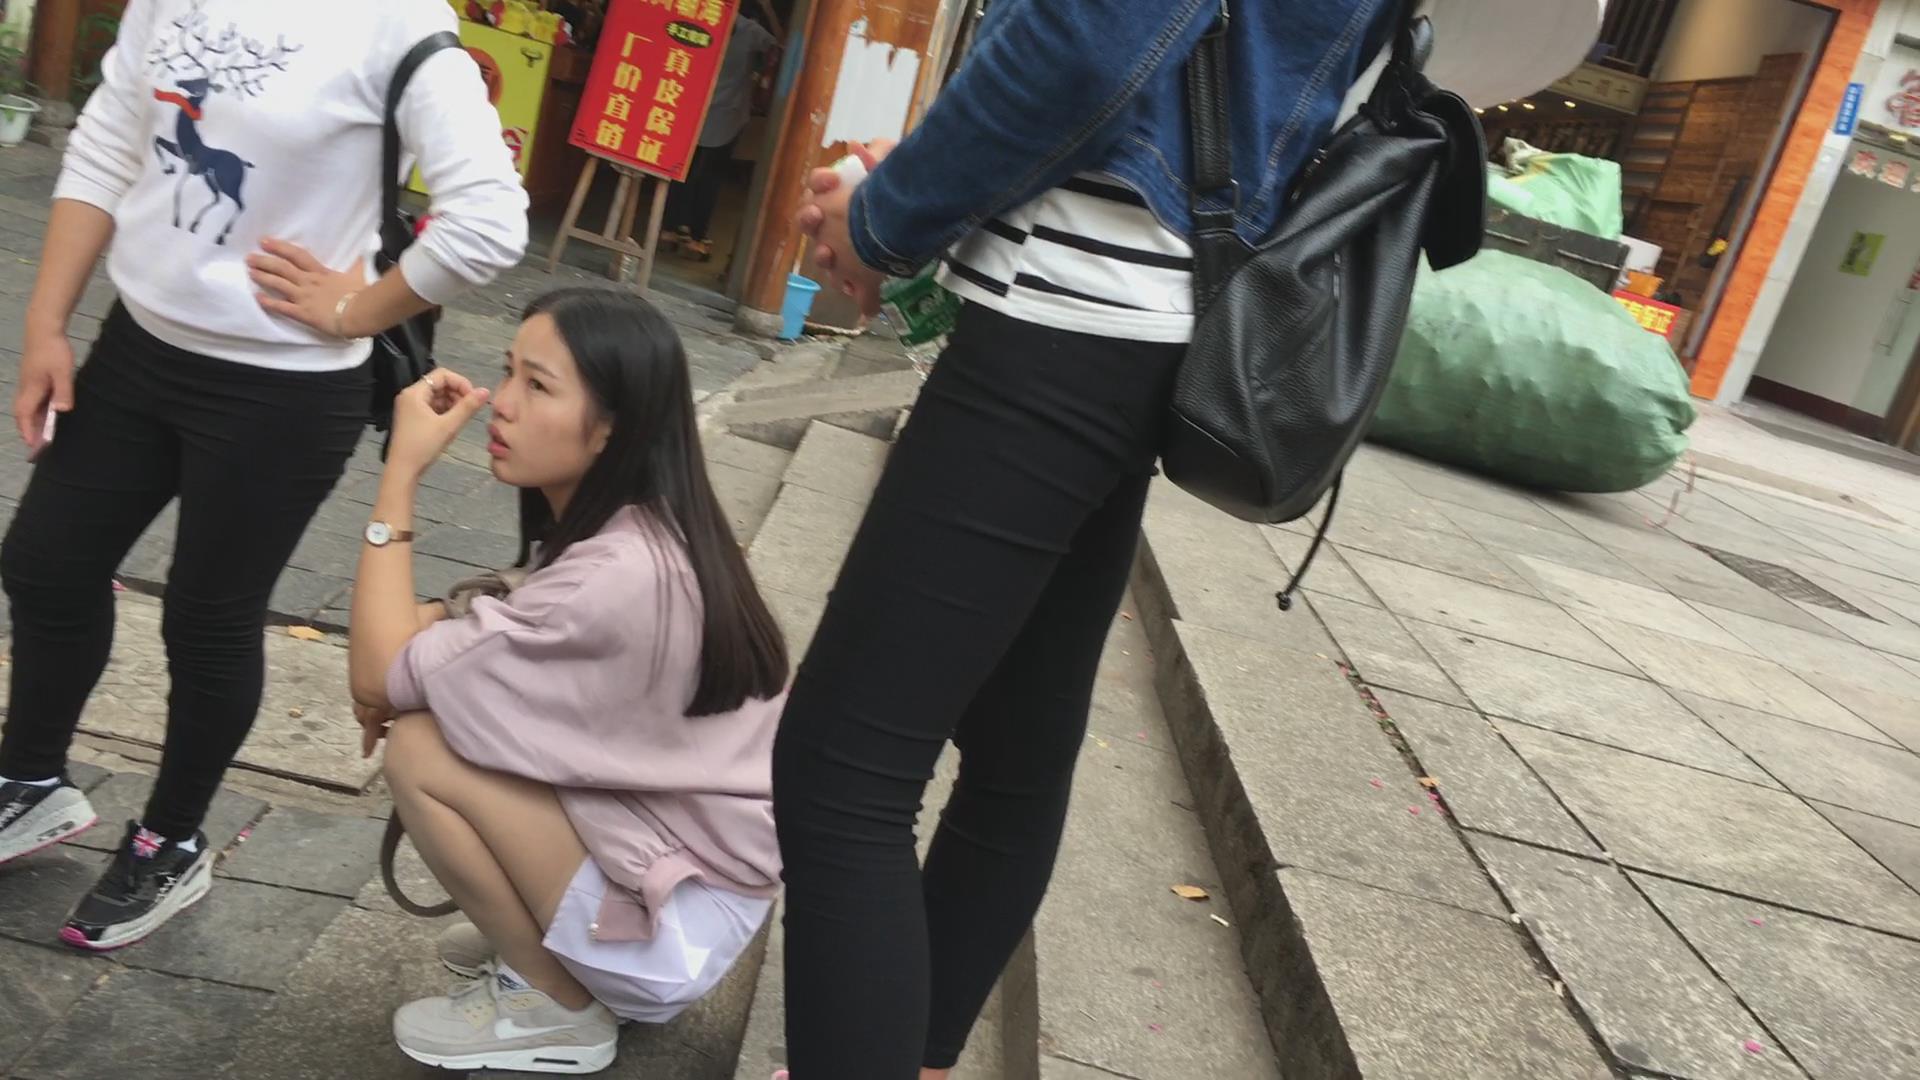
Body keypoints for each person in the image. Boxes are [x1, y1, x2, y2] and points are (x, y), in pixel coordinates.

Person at [777, 0, 1602, 1076]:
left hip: (1064, 316)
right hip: (1152, 318)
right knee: (1015, 757)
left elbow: (1089, 36)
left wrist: (888, 216)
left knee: (842, 772)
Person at [0, 0, 527, 951]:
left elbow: (490, 221)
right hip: (139, 343)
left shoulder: (397, 24)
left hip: (283, 389)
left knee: (206, 618)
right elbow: (110, 139)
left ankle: (171, 838)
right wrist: (47, 323)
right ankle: (31, 778)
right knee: (45, 562)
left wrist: (358, 309)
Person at [346, 287, 789, 1074]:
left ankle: (553, 1004)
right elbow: (415, 644)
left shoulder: (613, 575)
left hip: (672, 928)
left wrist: (401, 475)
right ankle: (545, 942)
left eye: (539, 385)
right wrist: (403, 657)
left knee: (419, 745)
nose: (502, 403)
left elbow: (380, 672)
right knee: (447, 701)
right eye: (508, 372)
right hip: (692, 880)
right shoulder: (647, 523)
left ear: (613, 425)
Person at [661, 13, 778, 261]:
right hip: (727, 114)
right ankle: (696, 237)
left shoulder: (695, 20)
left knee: (681, 169)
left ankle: (670, 230)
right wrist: (769, 10)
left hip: (691, 107)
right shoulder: (750, 30)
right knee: (711, 176)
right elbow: (779, 47)